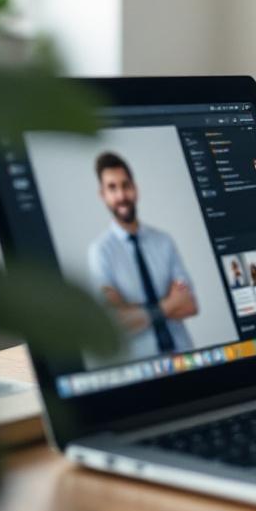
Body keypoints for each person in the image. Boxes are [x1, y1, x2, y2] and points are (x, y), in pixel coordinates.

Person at [87, 151, 199, 357]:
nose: (121, 196)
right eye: (112, 188)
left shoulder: (164, 241)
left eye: (125, 185)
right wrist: (168, 303)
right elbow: (116, 323)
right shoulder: (100, 252)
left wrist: (132, 307)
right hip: (144, 370)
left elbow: (189, 304)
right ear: (103, 195)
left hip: (186, 358)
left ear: (135, 189)